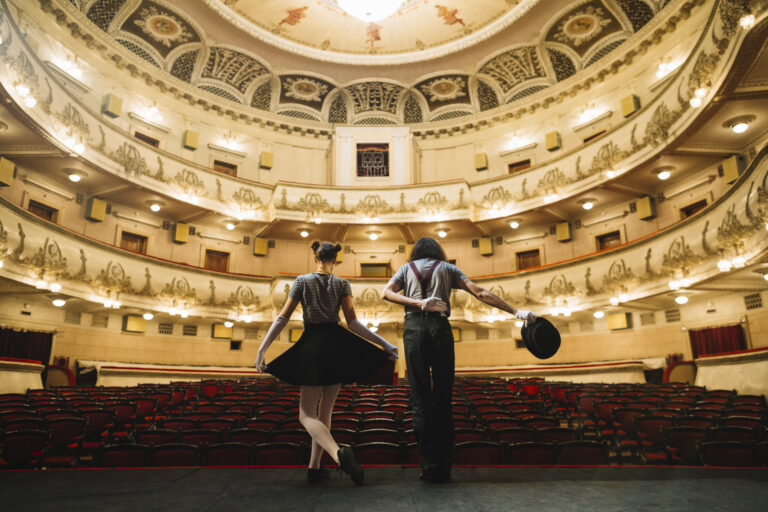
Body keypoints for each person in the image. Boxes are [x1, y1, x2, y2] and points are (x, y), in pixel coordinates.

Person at [382, 236, 536, 483]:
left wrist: (418, 304)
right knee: (444, 401)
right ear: (438, 251)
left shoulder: (405, 268)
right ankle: (444, 468)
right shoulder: (448, 268)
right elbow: (480, 292)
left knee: (420, 402)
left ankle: (428, 468)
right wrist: (517, 312)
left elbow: (386, 293)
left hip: (413, 328)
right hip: (440, 328)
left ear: (416, 252)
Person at [255, 241, 398, 485]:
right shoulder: (343, 284)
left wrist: (262, 348)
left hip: (313, 346)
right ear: (335, 260)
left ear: (315, 257)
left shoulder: (301, 281)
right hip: (337, 347)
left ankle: (338, 453)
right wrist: (385, 344)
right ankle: (314, 468)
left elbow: (282, 318)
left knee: (306, 415)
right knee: (325, 413)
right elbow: (353, 323)